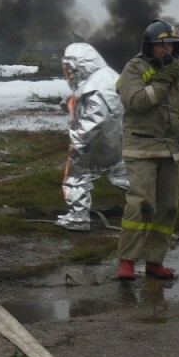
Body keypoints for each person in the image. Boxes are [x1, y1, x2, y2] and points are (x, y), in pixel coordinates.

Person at [116, 20, 179, 281]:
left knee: (167, 208)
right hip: (141, 148)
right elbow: (136, 102)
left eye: (170, 45)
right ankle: (127, 262)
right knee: (141, 204)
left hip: (171, 150)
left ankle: (155, 261)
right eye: (160, 46)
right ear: (148, 47)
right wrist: (162, 83)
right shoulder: (135, 68)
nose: (165, 50)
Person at [56, 43, 129, 231]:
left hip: (98, 143)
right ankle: (153, 204)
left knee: (76, 176)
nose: (69, 73)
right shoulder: (109, 76)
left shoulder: (95, 86)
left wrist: (78, 139)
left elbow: (95, 119)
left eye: (71, 68)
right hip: (118, 139)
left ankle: (78, 217)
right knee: (121, 174)